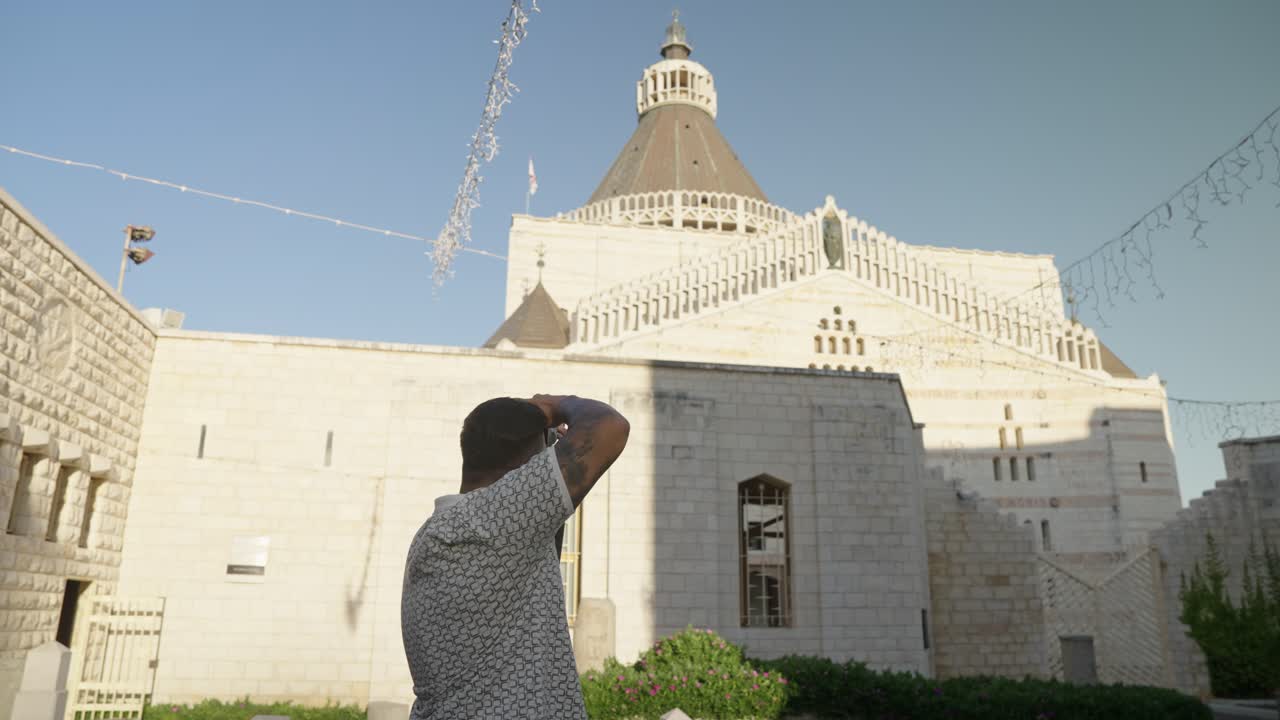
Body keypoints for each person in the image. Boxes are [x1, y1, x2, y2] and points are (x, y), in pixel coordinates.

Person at [401, 394, 630, 719]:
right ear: (525, 471)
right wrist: (553, 405)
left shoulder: (446, 531)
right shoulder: (494, 520)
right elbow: (610, 427)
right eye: (545, 455)